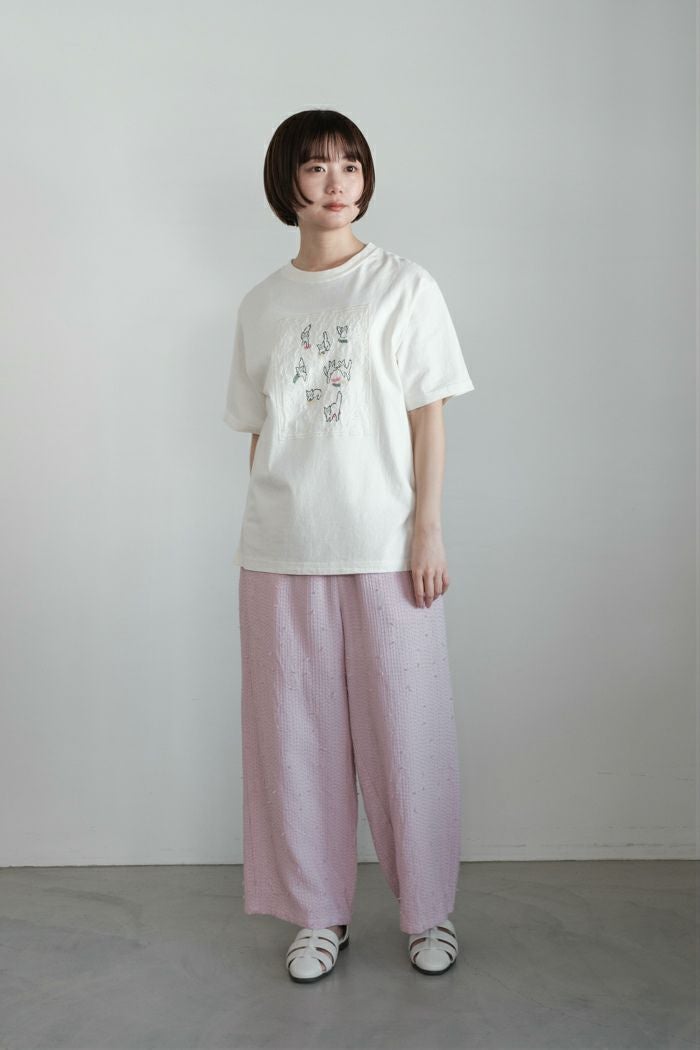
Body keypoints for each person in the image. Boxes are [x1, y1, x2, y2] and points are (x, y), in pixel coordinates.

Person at [223, 108, 475, 983]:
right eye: (316, 166)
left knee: (408, 735)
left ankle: (428, 913)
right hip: (281, 551)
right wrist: (266, 528)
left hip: (385, 546)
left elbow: (428, 416)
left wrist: (426, 530)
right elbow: (261, 435)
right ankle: (317, 914)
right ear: (286, 181)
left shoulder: (403, 286)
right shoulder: (261, 304)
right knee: (296, 745)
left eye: (351, 165)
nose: (337, 183)